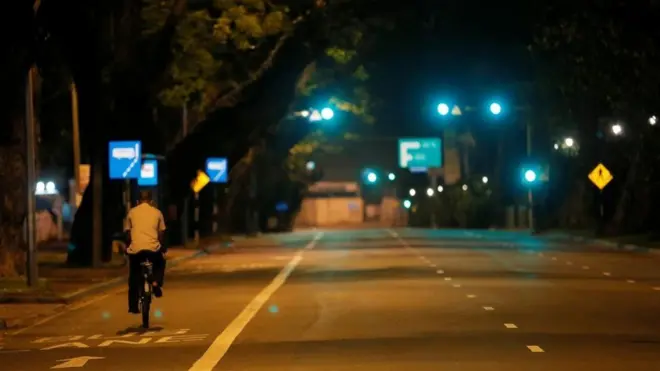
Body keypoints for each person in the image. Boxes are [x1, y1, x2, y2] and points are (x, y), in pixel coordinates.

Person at [124, 190, 167, 314]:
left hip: (136, 250)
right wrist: (162, 246)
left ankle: (133, 306)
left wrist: (128, 246)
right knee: (160, 263)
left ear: (138, 201)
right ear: (151, 201)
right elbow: (161, 233)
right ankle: (156, 282)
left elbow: (127, 233)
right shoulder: (157, 212)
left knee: (134, 275)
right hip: (153, 249)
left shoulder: (132, 212)